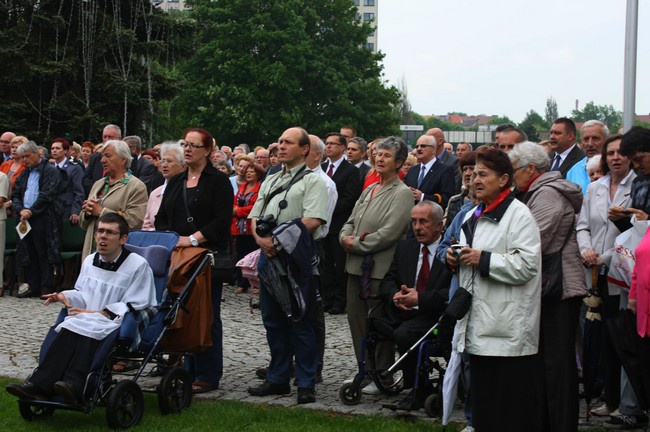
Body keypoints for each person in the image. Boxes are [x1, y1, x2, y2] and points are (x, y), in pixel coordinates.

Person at [5, 213, 156, 406]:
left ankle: (74, 385)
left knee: (88, 326)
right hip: (88, 316)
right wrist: (64, 296)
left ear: (123, 239)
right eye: (100, 231)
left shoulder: (137, 265)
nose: (103, 236)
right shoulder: (90, 260)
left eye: (110, 233)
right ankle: (38, 385)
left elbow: (139, 301)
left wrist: (103, 313)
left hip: (114, 320)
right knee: (69, 326)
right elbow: (83, 294)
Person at [445, 147, 542, 432]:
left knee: (508, 409)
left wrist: (482, 258)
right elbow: (468, 259)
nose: (475, 179)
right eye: (474, 174)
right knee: (484, 407)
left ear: (503, 180)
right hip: (478, 325)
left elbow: (527, 266)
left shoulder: (519, 215)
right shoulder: (471, 215)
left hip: (508, 329)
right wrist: (454, 259)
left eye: (483, 174)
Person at [246, 126, 328, 405]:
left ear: (304, 149)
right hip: (267, 257)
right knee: (272, 321)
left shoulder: (314, 181)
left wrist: (278, 241)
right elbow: (254, 216)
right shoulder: (270, 179)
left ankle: (305, 382)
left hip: (297, 258)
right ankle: (278, 378)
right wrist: (261, 240)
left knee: (300, 320)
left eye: (287, 142)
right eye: (279, 141)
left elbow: (313, 219)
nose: (280, 146)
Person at [509, 141, 586, 432]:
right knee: (547, 363)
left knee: (557, 365)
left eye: (515, 170)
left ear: (530, 169)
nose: (512, 177)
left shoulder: (548, 195)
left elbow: (533, 242)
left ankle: (561, 424)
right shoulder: (540, 192)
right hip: (552, 287)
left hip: (560, 289)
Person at [155, 127, 233, 394]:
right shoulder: (176, 181)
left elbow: (222, 220)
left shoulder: (218, 181)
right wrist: (172, 239)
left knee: (207, 314)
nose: (187, 149)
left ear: (208, 150)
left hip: (205, 257)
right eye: (184, 144)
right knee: (182, 312)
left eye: (193, 145)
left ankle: (209, 373)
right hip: (178, 256)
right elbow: (162, 216)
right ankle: (185, 367)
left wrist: (193, 239)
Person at [339, 136, 414, 394]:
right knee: (356, 320)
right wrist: (344, 237)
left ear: (399, 163)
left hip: (379, 270)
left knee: (378, 323)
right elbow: (350, 220)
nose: (380, 159)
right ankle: (364, 369)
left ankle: (383, 373)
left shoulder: (402, 193)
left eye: (386, 156)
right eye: (378, 155)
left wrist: (356, 243)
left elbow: (390, 233)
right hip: (355, 268)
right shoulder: (370, 189)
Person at [576, 134, 639, 424]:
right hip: (593, 270)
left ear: (629, 156)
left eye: (620, 152)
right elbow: (583, 225)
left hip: (622, 271)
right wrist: (587, 249)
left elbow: (633, 235)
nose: (615, 157)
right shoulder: (595, 187)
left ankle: (626, 402)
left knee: (619, 336)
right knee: (601, 337)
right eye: (610, 153)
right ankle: (609, 398)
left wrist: (606, 257)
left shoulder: (636, 185)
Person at [379, 201, 452, 410]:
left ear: (439, 225)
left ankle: (417, 388)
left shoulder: (449, 252)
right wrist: (394, 295)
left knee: (405, 334)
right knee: (376, 323)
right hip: (403, 311)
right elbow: (388, 280)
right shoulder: (406, 247)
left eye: (423, 222)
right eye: (413, 222)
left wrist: (420, 298)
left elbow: (451, 291)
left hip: (435, 314)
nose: (417, 227)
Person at [80, 140, 148, 260]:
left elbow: (135, 222)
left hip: (116, 257)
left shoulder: (136, 186)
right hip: (91, 252)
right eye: (102, 156)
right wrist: (86, 213)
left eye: (108, 156)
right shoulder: (98, 184)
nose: (102, 160)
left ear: (123, 160)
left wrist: (102, 212)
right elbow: (83, 224)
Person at [12, 141, 63, 299]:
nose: (25, 160)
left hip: (43, 217)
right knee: (29, 252)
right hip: (25, 218)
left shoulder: (50, 171)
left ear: (38, 154)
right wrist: (21, 209)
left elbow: (47, 194)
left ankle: (46, 287)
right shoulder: (24, 173)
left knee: (44, 252)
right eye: (22, 157)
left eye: (27, 156)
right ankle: (33, 285)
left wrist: (31, 211)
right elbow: (15, 194)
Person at [321, 132, 362, 314]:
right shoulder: (320, 168)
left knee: (339, 265)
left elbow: (349, 198)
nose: (328, 146)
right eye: (326, 143)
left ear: (342, 148)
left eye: (332, 144)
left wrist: (326, 208)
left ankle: (340, 299)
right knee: (325, 264)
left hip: (339, 224)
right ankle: (327, 297)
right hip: (321, 225)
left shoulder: (351, 170)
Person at [232, 163, 264, 294]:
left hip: (252, 228)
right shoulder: (242, 187)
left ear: (258, 174)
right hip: (239, 228)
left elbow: (255, 207)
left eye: (252, 171)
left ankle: (256, 284)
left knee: (254, 256)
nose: (248, 173)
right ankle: (242, 283)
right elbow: (234, 202)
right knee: (240, 256)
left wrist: (238, 211)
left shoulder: (260, 188)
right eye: (247, 171)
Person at [142, 142, 185, 231]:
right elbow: (146, 226)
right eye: (162, 161)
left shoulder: (188, 190)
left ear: (182, 166)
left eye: (169, 161)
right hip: (156, 242)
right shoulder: (155, 193)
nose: (164, 165)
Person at [404, 134, 455, 208]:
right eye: (417, 146)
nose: (418, 149)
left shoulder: (445, 170)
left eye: (423, 146)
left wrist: (423, 197)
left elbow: (447, 198)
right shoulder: (412, 170)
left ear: (433, 149)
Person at [567, 120, 610, 195]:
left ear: (607, 140)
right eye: (586, 139)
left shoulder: (614, 168)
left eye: (595, 138)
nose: (590, 144)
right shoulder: (573, 172)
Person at [50, 137, 84, 224]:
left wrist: (75, 211)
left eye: (57, 148)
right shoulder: (48, 168)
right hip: (51, 208)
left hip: (67, 208)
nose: (54, 151)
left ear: (65, 151)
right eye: (52, 148)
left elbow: (79, 191)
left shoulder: (74, 168)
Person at [444, 151, 476, 228]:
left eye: (472, 168)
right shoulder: (454, 200)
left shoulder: (484, 201)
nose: (467, 173)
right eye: (464, 169)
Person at [427, 128, 461, 193]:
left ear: (440, 141)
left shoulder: (454, 162)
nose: (425, 141)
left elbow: (454, 188)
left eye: (429, 139)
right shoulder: (426, 160)